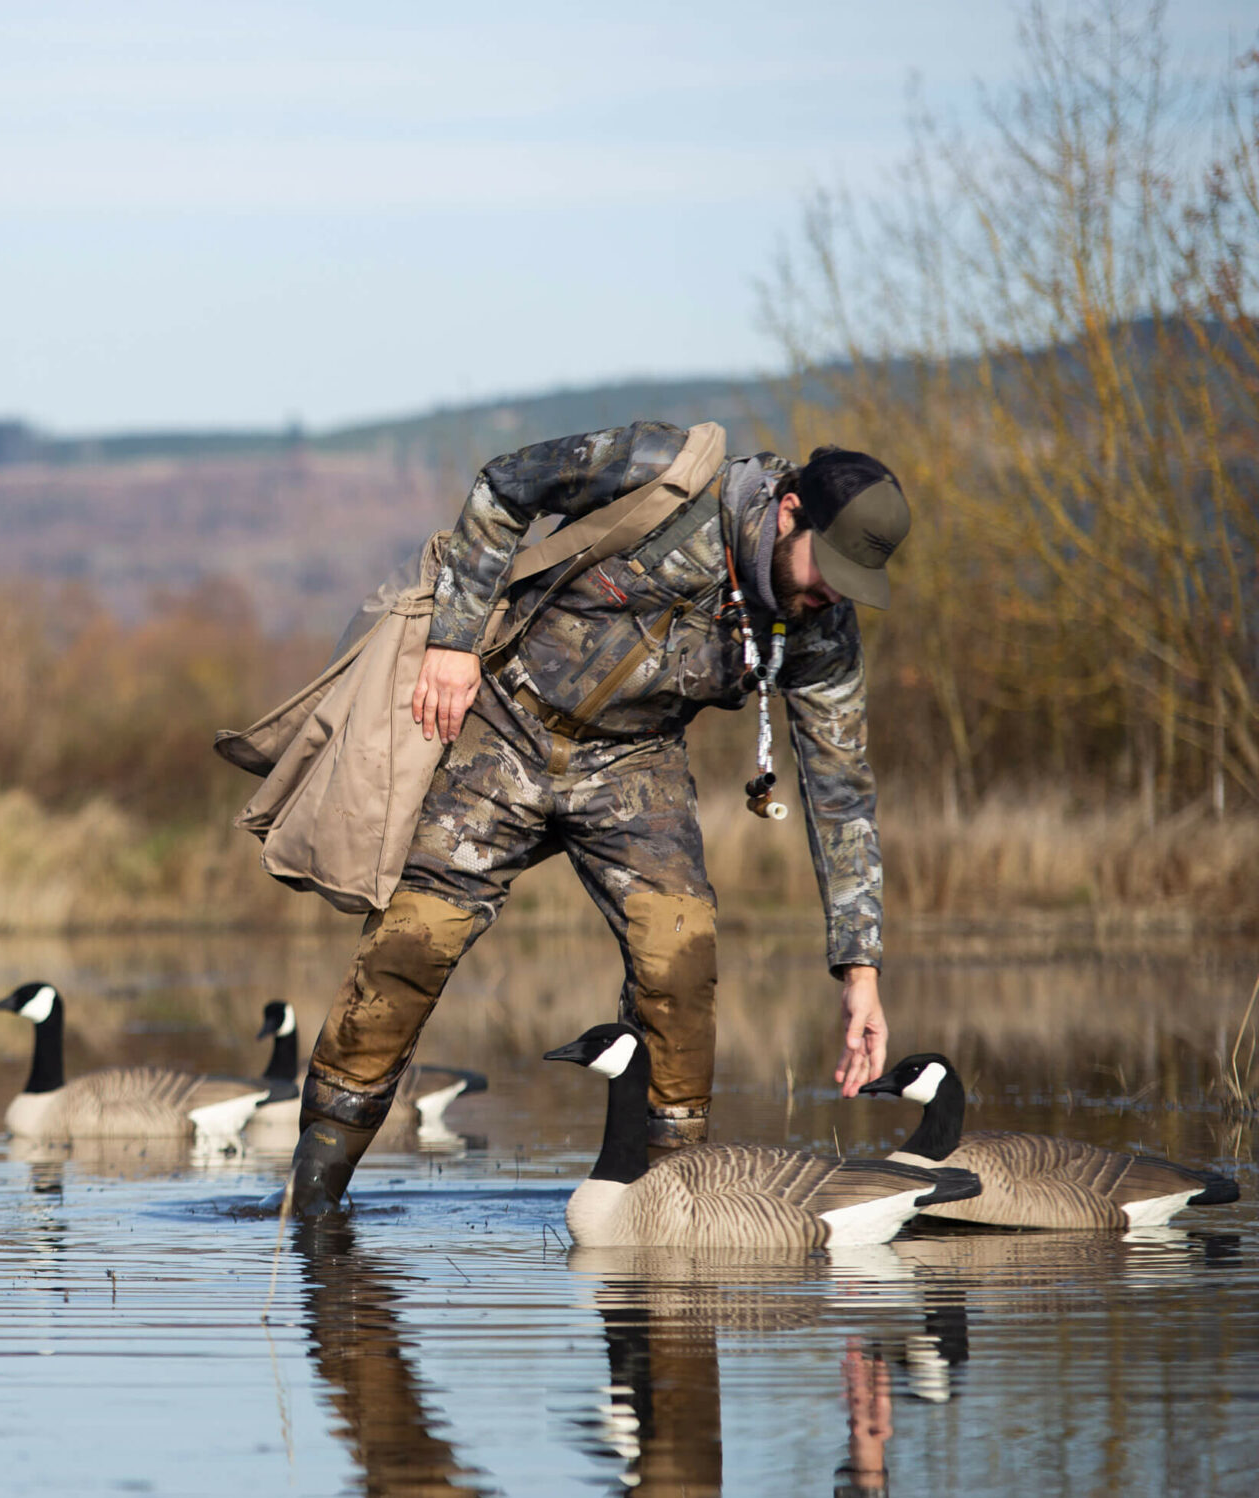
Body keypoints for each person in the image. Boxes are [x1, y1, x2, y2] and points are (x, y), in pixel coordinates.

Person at [288, 421, 911, 1214]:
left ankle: (663, 1211)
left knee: (680, 963)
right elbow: (501, 486)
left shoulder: (820, 625)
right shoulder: (667, 473)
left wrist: (861, 972)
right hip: (505, 730)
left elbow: (842, 789)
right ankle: (310, 1212)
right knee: (409, 948)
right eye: (830, 569)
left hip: (634, 766)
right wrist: (454, 640)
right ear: (790, 511)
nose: (832, 596)